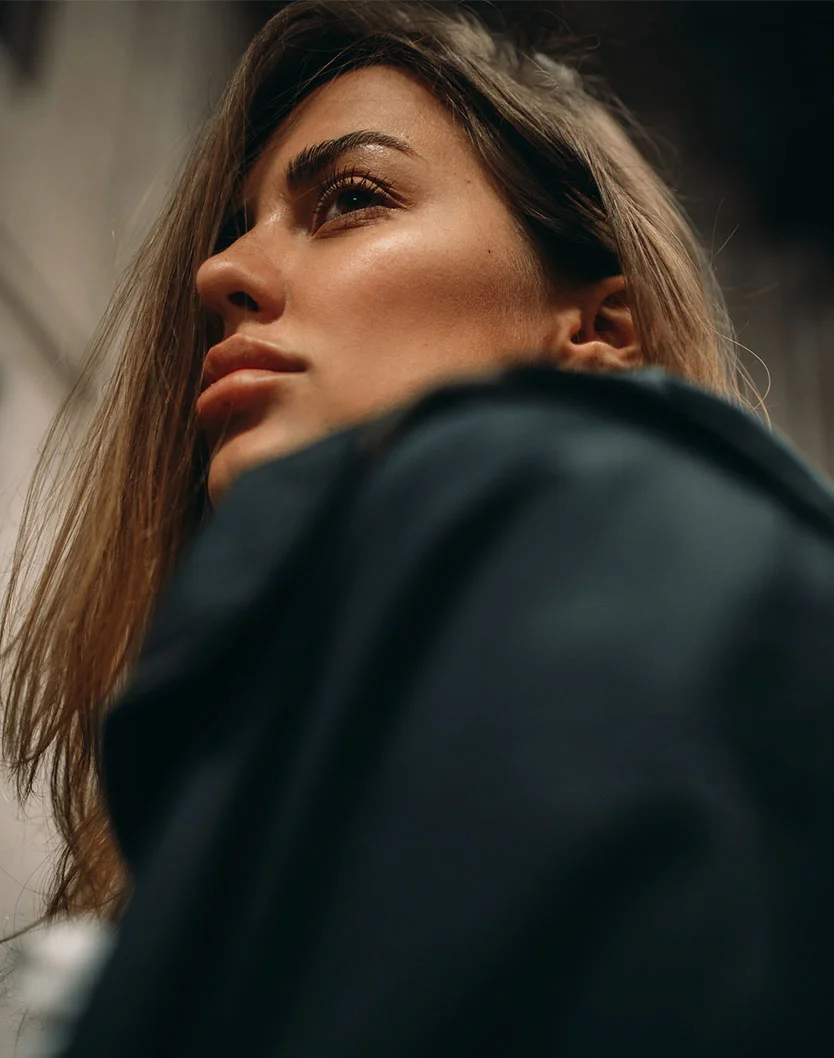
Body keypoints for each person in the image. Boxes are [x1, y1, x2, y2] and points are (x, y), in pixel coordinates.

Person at [4, 0, 834, 1055]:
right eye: (234, 230)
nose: (221, 276)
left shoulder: (670, 571)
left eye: (350, 197)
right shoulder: (286, 752)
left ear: (598, 327)